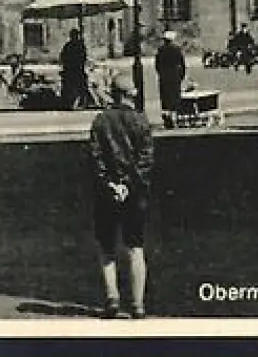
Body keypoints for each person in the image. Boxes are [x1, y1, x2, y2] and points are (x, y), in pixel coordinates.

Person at [89, 72, 155, 319]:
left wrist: (111, 183)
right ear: (131, 94)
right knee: (135, 247)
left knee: (106, 247)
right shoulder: (141, 121)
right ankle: (137, 304)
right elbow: (146, 160)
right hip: (135, 192)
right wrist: (127, 184)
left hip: (107, 193)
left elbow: (95, 159)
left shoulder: (101, 121)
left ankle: (112, 298)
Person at [155, 30, 186, 126]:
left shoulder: (160, 50)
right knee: (174, 97)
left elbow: (157, 64)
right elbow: (182, 64)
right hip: (174, 76)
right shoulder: (177, 49)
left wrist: (161, 73)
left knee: (165, 97)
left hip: (164, 77)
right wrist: (181, 76)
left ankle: (166, 117)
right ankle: (174, 117)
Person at [59, 27, 88, 109]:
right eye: (73, 35)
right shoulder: (69, 46)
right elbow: (63, 57)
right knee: (68, 87)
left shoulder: (78, 46)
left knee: (81, 87)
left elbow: (83, 58)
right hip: (71, 70)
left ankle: (81, 102)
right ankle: (67, 102)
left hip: (76, 70)